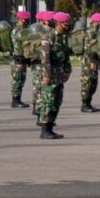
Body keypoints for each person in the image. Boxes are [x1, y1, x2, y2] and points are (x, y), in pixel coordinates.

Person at [39, 12, 72, 140]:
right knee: (49, 101)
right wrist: (47, 75)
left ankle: (51, 127)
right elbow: (45, 59)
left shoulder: (62, 37)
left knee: (57, 101)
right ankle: (45, 129)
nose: (68, 25)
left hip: (59, 72)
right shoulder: (48, 37)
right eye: (66, 23)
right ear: (59, 23)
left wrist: (68, 70)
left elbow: (66, 55)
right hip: (51, 73)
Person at [80, 13, 100, 113]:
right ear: (95, 22)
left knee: (93, 83)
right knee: (87, 82)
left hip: (94, 60)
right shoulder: (90, 32)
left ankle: (88, 103)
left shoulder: (97, 32)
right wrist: (92, 61)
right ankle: (84, 104)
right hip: (88, 61)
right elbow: (88, 48)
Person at [10, 11, 31, 108]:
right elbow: (17, 45)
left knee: (22, 79)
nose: (27, 21)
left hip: (24, 58)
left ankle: (18, 99)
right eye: (25, 19)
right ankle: (15, 100)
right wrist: (20, 56)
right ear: (20, 19)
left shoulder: (26, 29)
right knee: (16, 79)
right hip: (17, 59)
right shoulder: (16, 30)